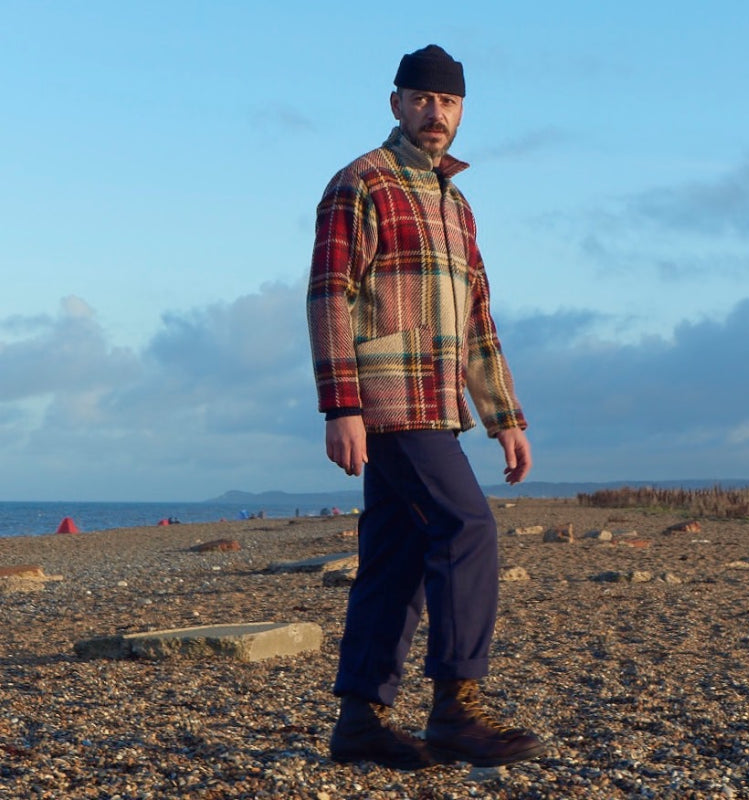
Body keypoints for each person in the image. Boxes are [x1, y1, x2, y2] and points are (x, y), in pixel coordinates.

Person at [307, 44, 546, 770]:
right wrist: (340, 405)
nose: (433, 113)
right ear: (396, 104)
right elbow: (328, 298)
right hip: (386, 399)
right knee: (467, 528)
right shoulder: (360, 184)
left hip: (438, 403)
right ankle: (455, 708)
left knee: (397, 555)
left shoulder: (456, 203)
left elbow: (478, 319)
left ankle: (360, 722)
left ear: (462, 111)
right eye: (420, 99)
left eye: (446, 102)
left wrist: (506, 417)